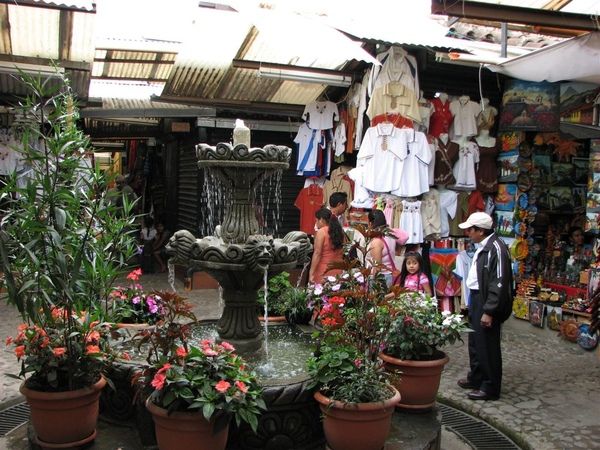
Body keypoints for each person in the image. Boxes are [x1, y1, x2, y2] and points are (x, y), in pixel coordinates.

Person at [457, 212, 513, 401]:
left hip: (486, 299)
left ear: (480, 231)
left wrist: (489, 310)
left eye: (470, 230)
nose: (468, 234)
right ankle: (477, 376)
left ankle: (490, 386)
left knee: (487, 344)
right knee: (476, 341)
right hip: (477, 298)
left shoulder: (496, 249)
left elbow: (499, 281)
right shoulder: (484, 247)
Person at [309, 207, 346, 284]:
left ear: (321, 220)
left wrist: (311, 273)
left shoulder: (321, 232)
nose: (316, 224)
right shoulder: (341, 232)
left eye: (316, 220)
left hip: (323, 270)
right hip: (338, 270)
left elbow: (317, 254)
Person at [366, 209, 396, 286]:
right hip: (389, 274)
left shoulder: (376, 241)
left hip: (380, 279)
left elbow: (377, 267)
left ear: (371, 223)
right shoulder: (390, 235)